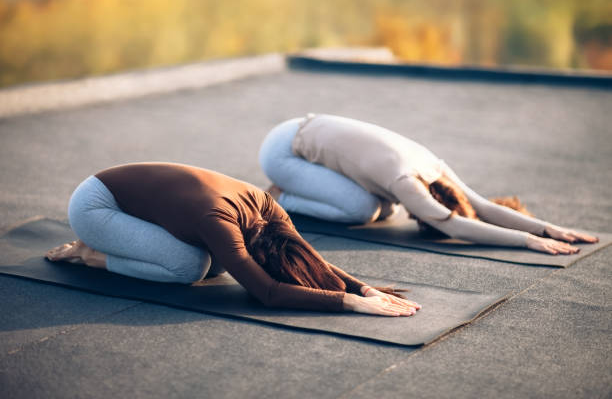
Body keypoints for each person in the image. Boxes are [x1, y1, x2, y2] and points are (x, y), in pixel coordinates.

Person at [45, 163, 419, 317]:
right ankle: (91, 253)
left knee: (219, 265)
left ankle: (108, 246)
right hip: (96, 206)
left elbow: (309, 256)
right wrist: (350, 303)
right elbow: (267, 293)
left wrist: (366, 288)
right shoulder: (219, 222)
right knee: (190, 267)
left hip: (137, 201)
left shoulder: (271, 210)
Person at [259, 114, 598, 255]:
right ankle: (283, 195)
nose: (419, 217)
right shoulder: (407, 181)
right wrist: (528, 241)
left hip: (307, 126)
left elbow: (482, 207)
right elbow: (457, 224)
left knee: (385, 207)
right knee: (364, 208)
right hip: (284, 150)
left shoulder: (436, 167)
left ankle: (305, 185)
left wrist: (549, 229)